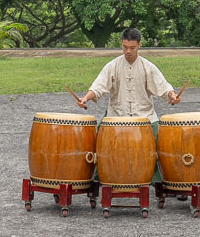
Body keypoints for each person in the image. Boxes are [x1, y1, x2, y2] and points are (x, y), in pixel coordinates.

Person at [77, 27, 181, 183]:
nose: (128, 51)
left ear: (139, 45)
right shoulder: (112, 66)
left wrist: (172, 96)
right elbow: (99, 86)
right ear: (122, 44)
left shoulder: (148, 67)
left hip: (145, 117)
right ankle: (101, 179)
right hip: (117, 116)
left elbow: (163, 87)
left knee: (162, 143)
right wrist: (86, 98)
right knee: (99, 140)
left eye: (132, 47)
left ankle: (165, 183)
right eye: (125, 47)